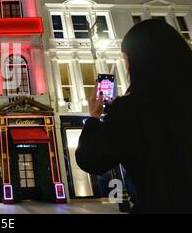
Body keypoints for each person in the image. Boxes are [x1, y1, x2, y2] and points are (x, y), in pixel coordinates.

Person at [76, 19, 192, 214]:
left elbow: (91, 159)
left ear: (139, 60)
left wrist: (94, 117)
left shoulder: (131, 109)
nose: (127, 67)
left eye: (126, 59)